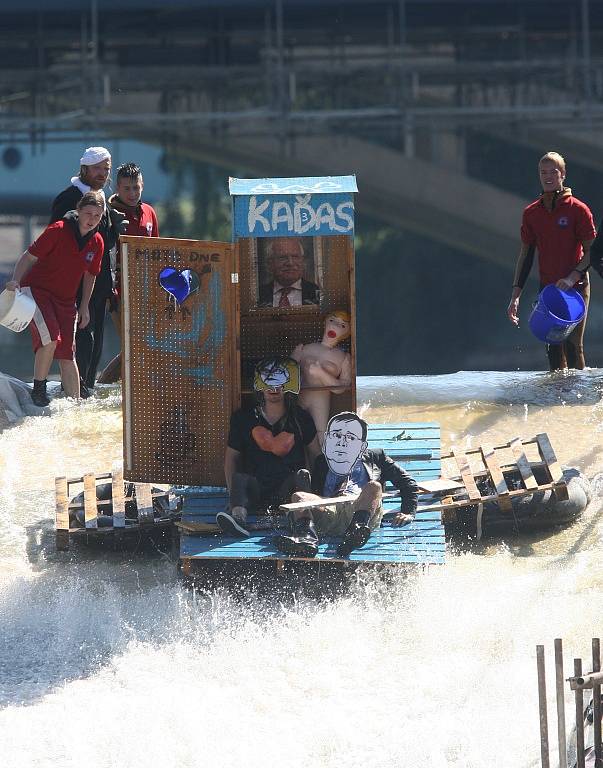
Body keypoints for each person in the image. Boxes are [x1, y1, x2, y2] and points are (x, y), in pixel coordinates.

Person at [4, 191, 105, 406]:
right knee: (50, 339)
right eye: (88, 213)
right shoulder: (57, 230)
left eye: (97, 216)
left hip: (66, 301)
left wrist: (85, 306)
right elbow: (28, 257)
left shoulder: (97, 242)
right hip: (38, 292)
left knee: (68, 353)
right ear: (78, 211)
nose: (92, 220)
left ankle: (75, 406)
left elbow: (91, 275)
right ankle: (38, 391)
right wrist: (15, 281)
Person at [274, 411, 419, 558]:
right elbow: (313, 494)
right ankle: (306, 540)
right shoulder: (323, 461)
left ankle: (355, 533)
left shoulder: (377, 457)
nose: (342, 442)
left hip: (362, 509)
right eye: (337, 436)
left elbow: (408, 482)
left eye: (350, 437)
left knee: (374, 486)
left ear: (362, 445)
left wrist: (408, 512)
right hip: (331, 511)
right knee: (299, 497)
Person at [507, 151, 596, 371]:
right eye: (542, 172)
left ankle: (579, 401)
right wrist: (515, 294)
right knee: (553, 348)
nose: (547, 176)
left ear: (563, 174)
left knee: (573, 346)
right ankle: (556, 402)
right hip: (548, 289)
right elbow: (526, 255)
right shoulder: (532, 213)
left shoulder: (578, 209)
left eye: (553, 172)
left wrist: (573, 275)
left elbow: (593, 251)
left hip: (575, 288)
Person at [50, 146, 127, 395]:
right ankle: (74, 390)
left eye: (106, 169)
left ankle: (87, 388)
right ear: (84, 169)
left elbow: (105, 246)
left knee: (95, 344)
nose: (103, 174)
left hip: (100, 282)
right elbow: (58, 241)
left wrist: (113, 230)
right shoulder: (68, 197)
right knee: (81, 338)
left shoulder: (101, 199)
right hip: (74, 284)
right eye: (97, 168)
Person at [216, 356, 321, 537]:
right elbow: (231, 457)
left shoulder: (300, 418)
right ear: (259, 384)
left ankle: (304, 526)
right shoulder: (243, 418)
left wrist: (317, 492)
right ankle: (238, 519)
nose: (274, 388)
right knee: (240, 478)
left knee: (301, 475)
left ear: (288, 385)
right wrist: (233, 495)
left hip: (288, 491)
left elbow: (315, 454)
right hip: (256, 489)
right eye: (268, 381)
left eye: (279, 383)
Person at [97, 162, 160, 384]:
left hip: (146, 290)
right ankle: (104, 384)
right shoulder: (107, 212)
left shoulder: (150, 212)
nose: (132, 193)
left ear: (142, 185)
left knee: (143, 343)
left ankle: (127, 385)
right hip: (118, 290)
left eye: (136, 187)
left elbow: (157, 252)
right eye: (127, 189)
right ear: (117, 188)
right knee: (133, 345)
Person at [292, 309, 353, 442]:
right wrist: (294, 359)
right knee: (294, 430)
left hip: (321, 399)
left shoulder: (343, 358)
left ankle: (319, 461)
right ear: (325, 322)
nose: (335, 326)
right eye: (332, 321)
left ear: (347, 332)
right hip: (300, 394)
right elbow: (287, 374)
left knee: (320, 432)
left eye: (342, 325)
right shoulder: (307, 348)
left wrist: (321, 373)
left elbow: (342, 387)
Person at [257, 237, 321, 307]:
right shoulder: (258, 295)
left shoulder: (318, 293)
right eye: (283, 257)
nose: (290, 263)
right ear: (270, 264)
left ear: (303, 261)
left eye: (295, 257)